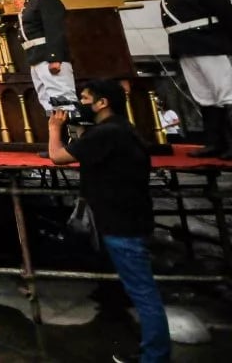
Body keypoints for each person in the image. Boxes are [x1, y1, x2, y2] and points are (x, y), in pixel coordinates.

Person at [47, 80, 169, 363]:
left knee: (143, 292)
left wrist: (55, 129)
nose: (81, 104)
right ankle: (151, 350)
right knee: (137, 288)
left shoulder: (105, 134)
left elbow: (57, 156)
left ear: (103, 103)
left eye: (86, 99)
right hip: (129, 216)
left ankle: (155, 357)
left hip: (121, 223)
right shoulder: (122, 129)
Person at [152, 0, 232, 159]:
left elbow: (224, 11)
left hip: (208, 43)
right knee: (204, 96)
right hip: (185, 47)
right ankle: (215, 143)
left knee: (226, 93)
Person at [13, 0, 77, 112]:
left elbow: (54, 29)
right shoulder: (30, 2)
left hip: (48, 57)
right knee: (47, 101)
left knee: (62, 100)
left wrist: (55, 58)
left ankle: (74, 134)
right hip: (36, 57)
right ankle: (57, 133)